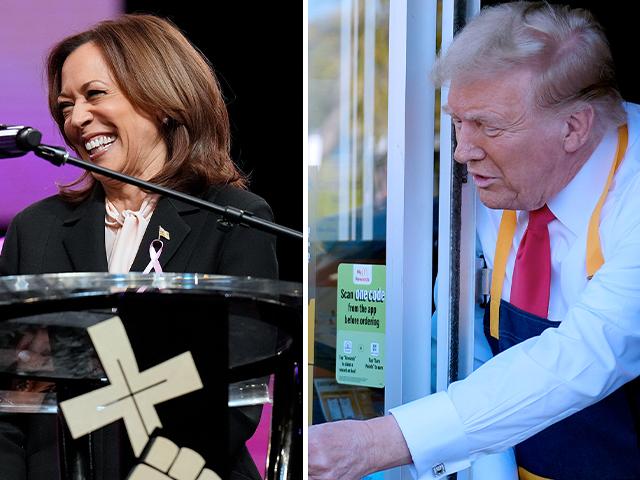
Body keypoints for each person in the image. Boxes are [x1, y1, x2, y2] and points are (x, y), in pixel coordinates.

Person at [309, 2, 640, 479]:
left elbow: (587, 353)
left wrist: (372, 443)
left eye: (488, 126)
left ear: (574, 127)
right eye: (458, 122)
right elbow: (460, 341)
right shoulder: (502, 183)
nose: (463, 152)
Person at [0, 14, 277, 480]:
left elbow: (234, 397)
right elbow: (7, 401)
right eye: (65, 105)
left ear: (163, 99)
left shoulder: (233, 218)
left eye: (95, 94)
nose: (76, 119)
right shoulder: (36, 229)